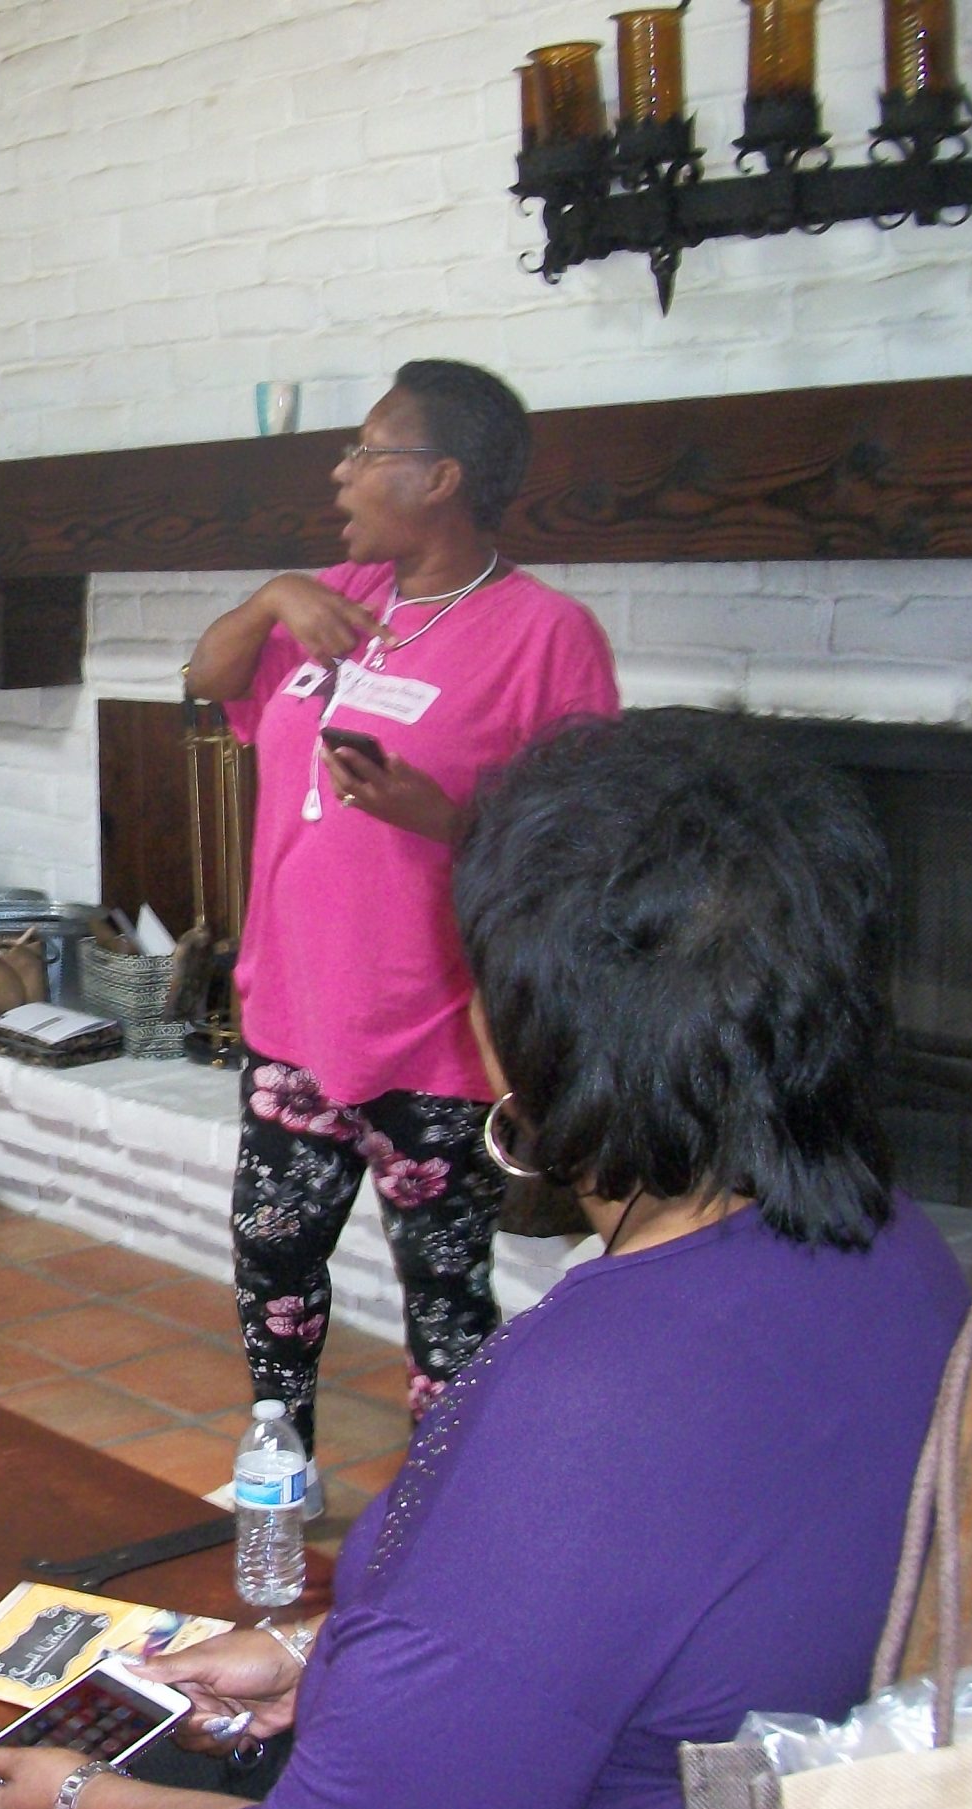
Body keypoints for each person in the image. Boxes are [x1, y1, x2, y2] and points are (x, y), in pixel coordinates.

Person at [0, 711, 972, 1809]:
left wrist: (77, 1806)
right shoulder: (900, 1253)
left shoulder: (591, 1401)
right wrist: (313, 1653)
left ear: (525, 1025)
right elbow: (594, 1630)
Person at [180, 360, 620, 1444]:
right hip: (293, 1010)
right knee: (272, 1263)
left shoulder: (546, 635)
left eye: (366, 451)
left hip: (437, 1034)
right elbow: (206, 678)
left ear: (441, 478)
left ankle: (442, 1500)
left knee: (446, 1298)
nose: (341, 473)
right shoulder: (338, 598)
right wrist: (272, 595)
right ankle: (280, 1468)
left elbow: (589, 845)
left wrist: (447, 820)